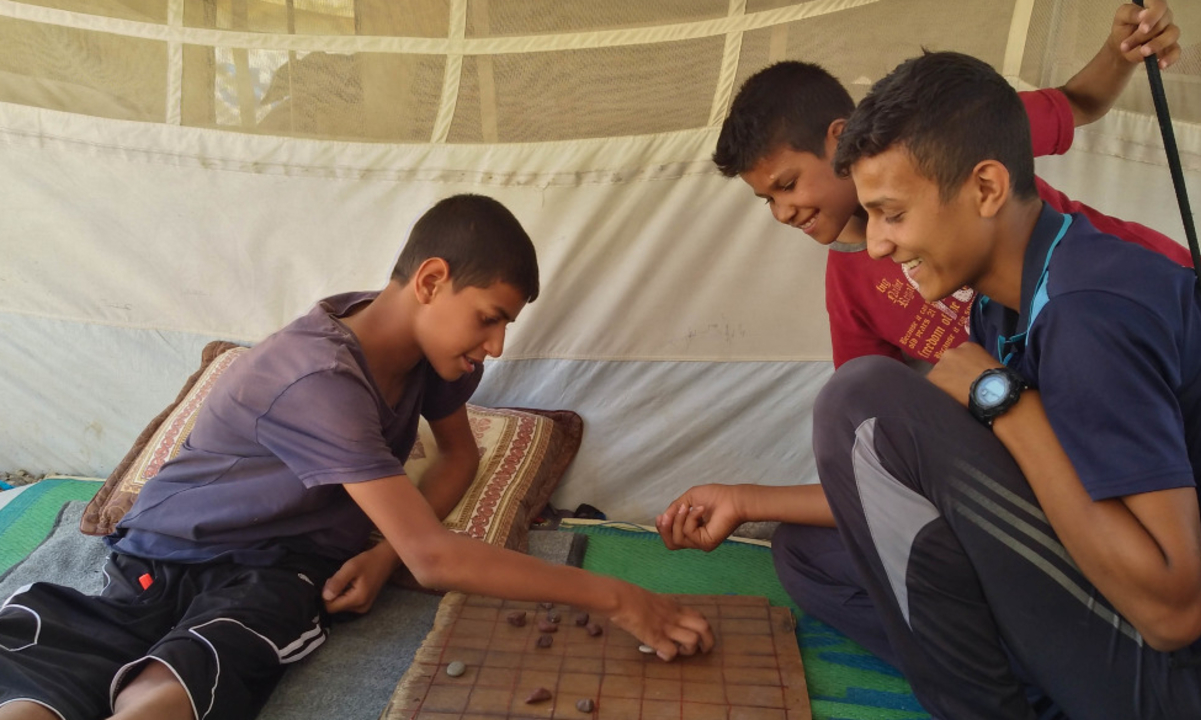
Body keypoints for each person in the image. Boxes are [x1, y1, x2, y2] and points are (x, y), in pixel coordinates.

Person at [656, 0, 1201, 671]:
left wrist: (1120, 48)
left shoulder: (958, 143)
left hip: (1168, 395)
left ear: (986, 188)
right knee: (808, 554)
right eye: (765, 201)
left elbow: (1077, 102)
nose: (782, 213)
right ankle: (1037, 653)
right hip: (1056, 456)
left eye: (786, 185)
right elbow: (876, 463)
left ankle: (1069, 662)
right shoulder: (908, 297)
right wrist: (751, 501)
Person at [0, 195, 714, 720]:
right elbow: (437, 558)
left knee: (190, 676)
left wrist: (381, 557)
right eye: (490, 317)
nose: (496, 346)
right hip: (160, 555)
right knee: (48, 686)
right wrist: (622, 599)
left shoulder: (433, 354)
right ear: (431, 280)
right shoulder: (317, 378)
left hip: (272, 572)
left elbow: (457, 461)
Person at [812, 48, 1201, 718]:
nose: (879, 246)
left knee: (860, 407)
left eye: (892, 213)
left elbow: (1172, 614)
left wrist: (1002, 402)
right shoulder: (1009, 299)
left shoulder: (1089, 316)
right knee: (809, 557)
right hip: (1160, 606)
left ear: (986, 189)